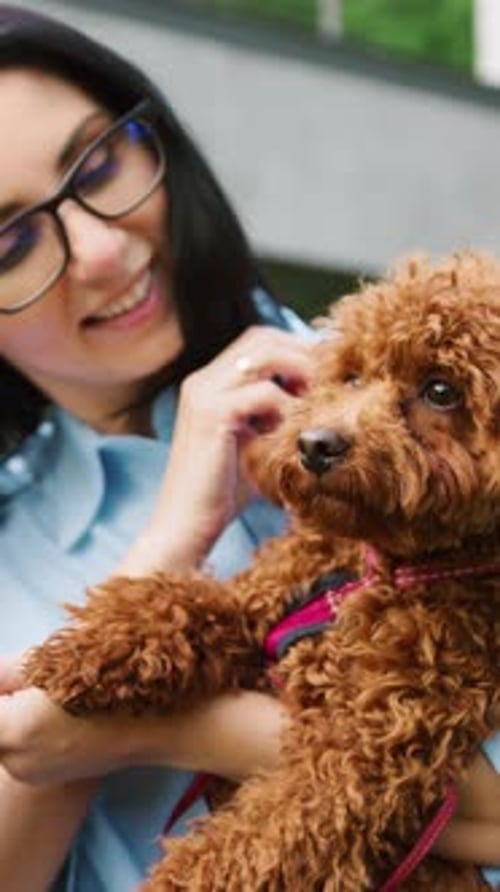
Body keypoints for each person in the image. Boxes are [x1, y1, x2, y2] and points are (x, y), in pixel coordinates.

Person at [0, 6, 496, 891]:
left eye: (99, 163)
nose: (104, 252)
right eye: (12, 239)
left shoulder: (418, 414)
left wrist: (160, 727)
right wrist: (168, 544)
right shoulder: (13, 539)